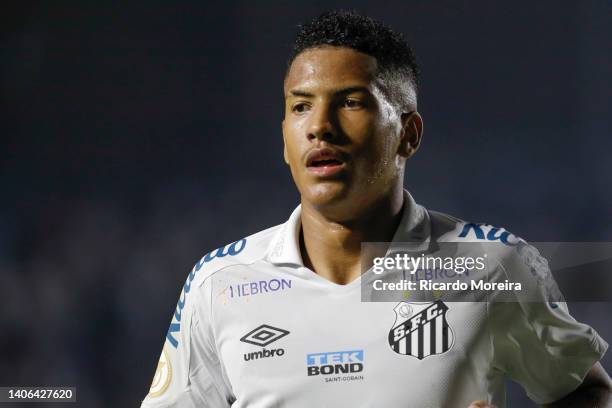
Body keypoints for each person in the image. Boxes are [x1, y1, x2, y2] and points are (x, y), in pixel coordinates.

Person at [141, 11, 611, 408]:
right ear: (284, 138)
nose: (319, 127)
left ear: (408, 134)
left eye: (350, 102)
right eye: (301, 107)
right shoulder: (219, 284)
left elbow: (589, 391)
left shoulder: (493, 266)